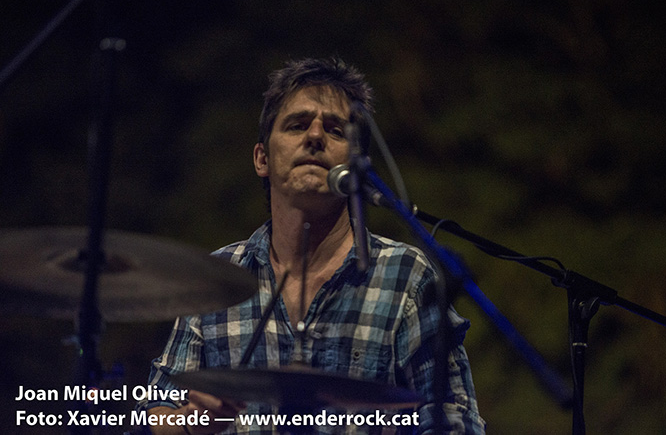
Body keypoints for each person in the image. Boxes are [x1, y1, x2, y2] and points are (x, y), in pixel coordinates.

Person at [136, 57, 486, 434]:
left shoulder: (405, 274)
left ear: (356, 166)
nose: (315, 136)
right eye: (298, 125)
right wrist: (193, 423)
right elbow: (152, 413)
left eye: (335, 130)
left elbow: (455, 417)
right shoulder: (216, 278)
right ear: (262, 158)